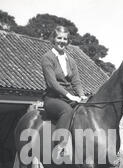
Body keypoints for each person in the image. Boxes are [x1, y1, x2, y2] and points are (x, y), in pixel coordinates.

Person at [41, 25, 87, 161]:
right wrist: (70, 96)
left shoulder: (71, 60)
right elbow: (52, 84)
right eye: (59, 38)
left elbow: (76, 81)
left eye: (65, 39)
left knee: (85, 111)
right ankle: (59, 147)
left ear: (68, 41)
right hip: (53, 98)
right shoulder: (47, 58)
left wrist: (81, 95)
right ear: (53, 39)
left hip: (70, 97)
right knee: (67, 111)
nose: (62, 41)